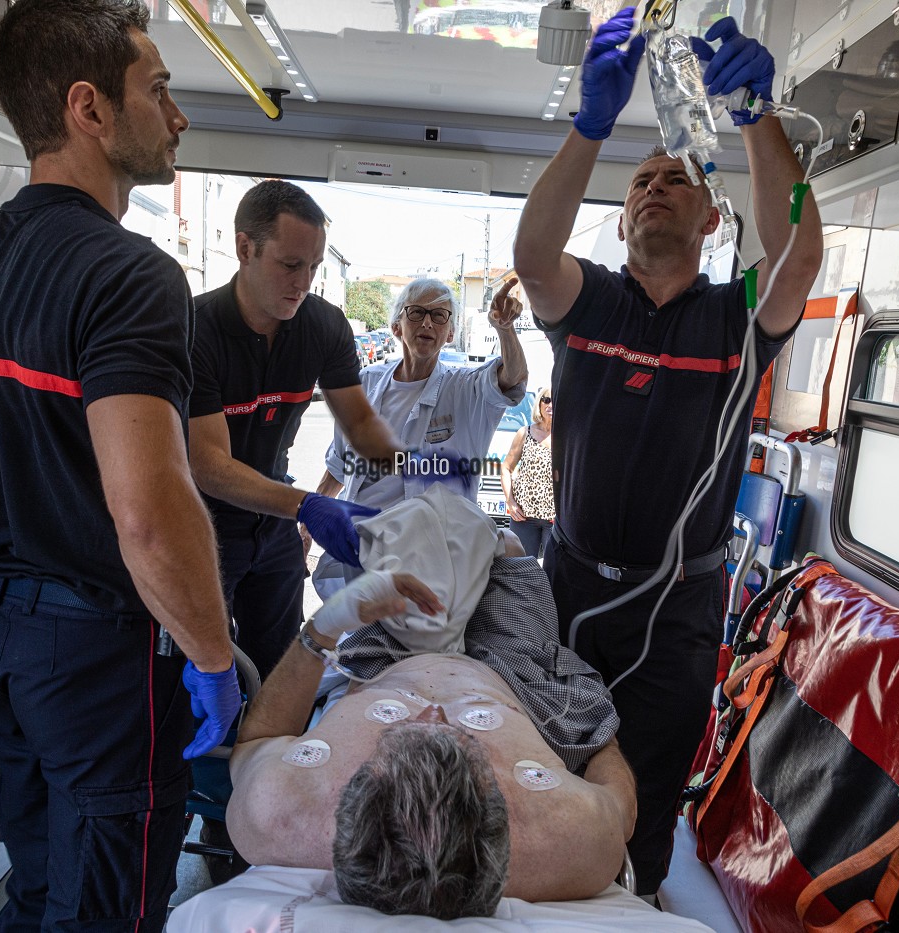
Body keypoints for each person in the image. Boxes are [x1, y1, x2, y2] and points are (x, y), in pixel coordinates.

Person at [0, 1, 239, 929]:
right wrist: (213, 653)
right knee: (107, 901)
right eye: (159, 90)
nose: (177, 116)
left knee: (34, 884)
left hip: (4, 636)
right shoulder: (130, 273)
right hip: (102, 658)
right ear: (89, 110)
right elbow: (148, 507)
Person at [511, 9, 822, 894]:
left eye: (676, 177)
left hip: (676, 613)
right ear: (619, 219)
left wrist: (757, 117)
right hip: (567, 590)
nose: (654, 187)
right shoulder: (591, 303)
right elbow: (534, 252)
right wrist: (589, 125)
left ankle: (630, 904)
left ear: (715, 219)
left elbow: (800, 256)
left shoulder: (734, 320)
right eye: (640, 181)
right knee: (547, 786)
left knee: (639, 814)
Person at [225, 541, 635, 918]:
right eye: (469, 745)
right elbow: (620, 803)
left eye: (398, 735)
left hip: (383, 661)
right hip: (518, 673)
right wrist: (593, 723)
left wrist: (321, 630)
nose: (434, 711)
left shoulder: (280, 814)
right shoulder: (565, 837)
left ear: (354, 791)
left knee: (421, 543)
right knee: (506, 549)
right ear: (498, 805)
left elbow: (258, 739)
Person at [188, 179, 406, 680]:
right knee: (202, 674)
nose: (303, 281)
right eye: (290, 265)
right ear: (244, 248)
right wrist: (309, 505)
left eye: (314, 267)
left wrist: (418, 478)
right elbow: (209, 466)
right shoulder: (194, 329)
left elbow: (360, 423)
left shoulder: (323, 325)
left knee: (278, 668)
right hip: (201, 525)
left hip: (274, 526)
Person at [311, 275, 528, 597]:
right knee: (363, 641)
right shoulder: (367, 383)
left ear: (450, 332)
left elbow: (510, 379)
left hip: (435, 555)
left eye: (439, 315)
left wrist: (505, 330)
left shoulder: (465, 388)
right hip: (366, 548)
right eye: (416, 313)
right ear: (397, 326)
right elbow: (340, 463)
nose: (427, 322)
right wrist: (307, 522)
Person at [501, 386, 556, 560]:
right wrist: (510, 502)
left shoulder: (567, 436)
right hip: (524, 517)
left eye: (554, 399)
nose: (550, 404)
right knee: (520, 568)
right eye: (545, 400)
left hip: (554, 519)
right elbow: (506, 468)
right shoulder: (524, 433)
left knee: (553, 571)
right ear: (539, 404)